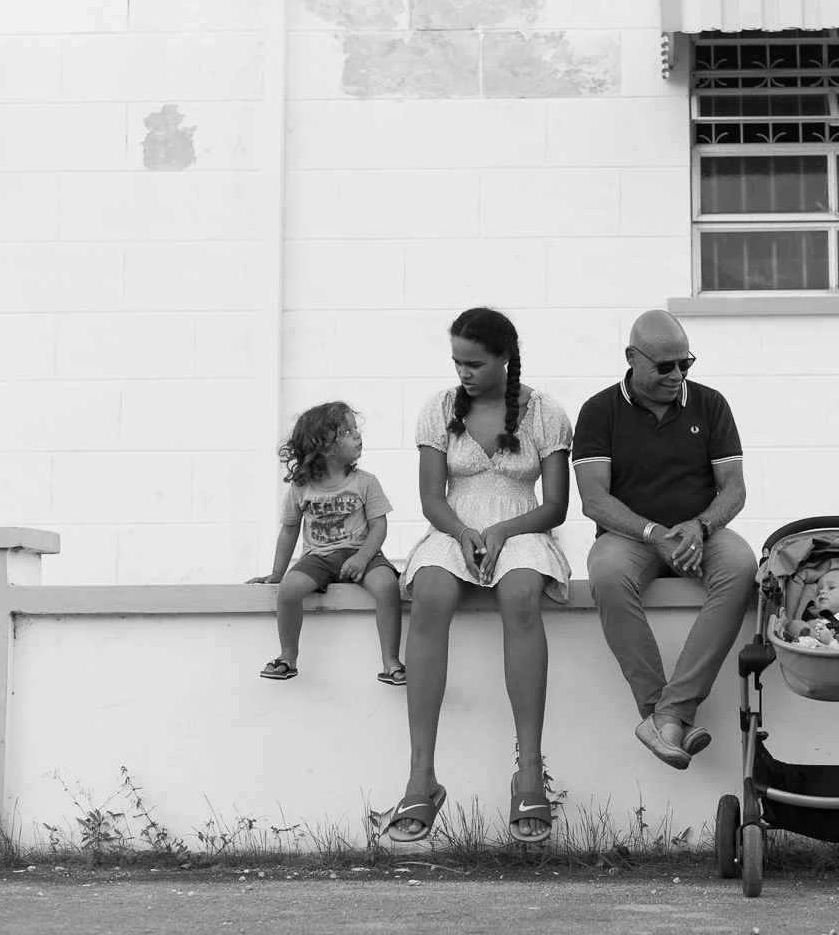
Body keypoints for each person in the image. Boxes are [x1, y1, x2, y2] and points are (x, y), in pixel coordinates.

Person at [373, 308, 572, 846]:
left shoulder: (546, 413)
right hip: (454, 525)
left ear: (505, 358)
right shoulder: (438, 409)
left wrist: (504, 530)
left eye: (475, 363)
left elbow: (555, 506)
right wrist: (462, 532)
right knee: (432, 593)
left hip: (523, 526)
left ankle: (529, 771)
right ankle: (421, 776)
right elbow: (432, 499)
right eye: (457, 362)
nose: (464, 372)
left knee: (522, 593)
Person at [572, 310, 755, 771]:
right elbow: (594, 499)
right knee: (608, 573)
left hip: (700, 531)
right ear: (632, 357)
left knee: (741, 567)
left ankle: (672, 713)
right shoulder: (599, 410)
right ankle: (660, 711)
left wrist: (701, 526)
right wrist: (652, 533)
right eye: (665, 366)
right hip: (631, 535)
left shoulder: (711, 404)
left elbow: (734, 488)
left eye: (685, 364)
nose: (677, 375)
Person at [250, 402, 404, 685]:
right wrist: (276, 573)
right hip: (319, 557)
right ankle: (287, 656)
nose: (357, 435)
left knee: (387, 586)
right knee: (289, 590)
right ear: (322, 446)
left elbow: (379, 526)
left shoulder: (365, 482)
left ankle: (391, 662)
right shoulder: (301, 487)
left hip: (363, 552)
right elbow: (289, 531)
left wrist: (363, 557)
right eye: (347, 431)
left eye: (356, 429)